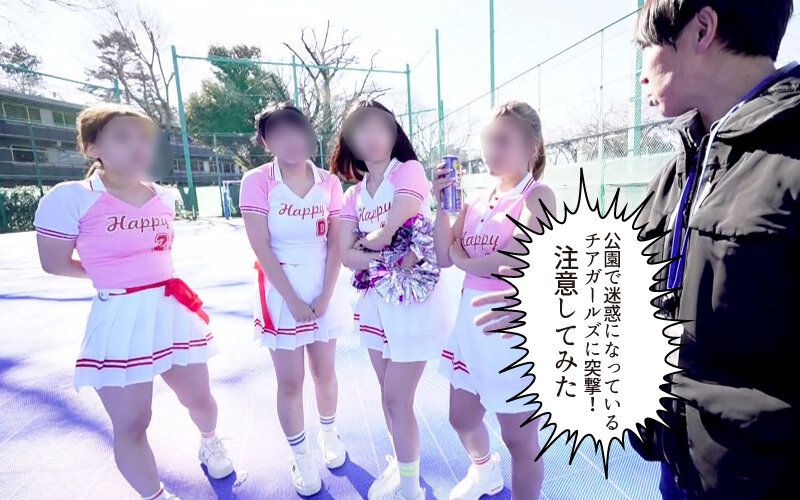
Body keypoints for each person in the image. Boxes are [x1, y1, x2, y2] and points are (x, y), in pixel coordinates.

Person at [630, 1, 799, 498]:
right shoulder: (677, 172)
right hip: (680, 466)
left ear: (702, 29)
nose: (642, 71)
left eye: (647, 46)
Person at [33, 103, 233, 500]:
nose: (138, 146)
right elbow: (54, 263)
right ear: (92, 148)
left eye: (144, 137)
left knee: (200, 400)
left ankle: (210, 440)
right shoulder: (70, 198)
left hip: (171, 311)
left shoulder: (164, 196)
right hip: (119, 318)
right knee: (132, 423)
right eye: (123, 137)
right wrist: (113, 276)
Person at [332, 100, 457, 500]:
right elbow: (346, 255)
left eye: (381, 127)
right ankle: (404, 469)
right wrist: (384, 256)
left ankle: (410, 489)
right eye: (361, 130)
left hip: (413, 302)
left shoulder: (409, 171)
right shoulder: (352, 196)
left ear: (394, 134)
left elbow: (395, 225)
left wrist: (372, 245)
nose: (372, 136)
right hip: (374, 304)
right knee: (388, 399)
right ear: (349, 141)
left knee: (396, 398)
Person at [433, 101, 555, 500]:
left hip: (511, 334)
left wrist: (465, 260)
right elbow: (442, 255)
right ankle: (484, 471)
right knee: (461, 417)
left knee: (519, 439)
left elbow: (515, 260)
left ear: (532, 147)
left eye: (503, 141)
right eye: (488, 141)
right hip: (470, 329)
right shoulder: (474, 201)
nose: (492, 151)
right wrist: (442, 207)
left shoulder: (538, 196)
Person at [240, 104, 350, 496]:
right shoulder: (257, 181)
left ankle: (329, 433)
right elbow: (261, 246)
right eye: (279, 134)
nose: (291, 140)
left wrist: (326, 294)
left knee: (325, 371)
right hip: (281, 289)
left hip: (323, 284)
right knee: (290, 381)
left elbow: (336, 242)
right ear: (266, 142)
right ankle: (300, 454)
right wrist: (293, 300)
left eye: (298, 131)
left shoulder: (329, 182)